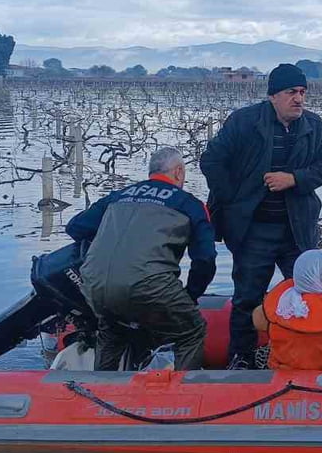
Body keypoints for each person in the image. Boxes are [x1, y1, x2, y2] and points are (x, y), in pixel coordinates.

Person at [200, 63, 322, 369]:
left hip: (297, 229)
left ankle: (305, 356)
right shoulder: (244, 122)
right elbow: (211, 161)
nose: (299, 99)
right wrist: (235, 198)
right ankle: (241, 359)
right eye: (292, 92)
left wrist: (295, 179)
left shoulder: (314, 126)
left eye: (302, 92)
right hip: (254, 230)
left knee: (308, 294)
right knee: (247, 297)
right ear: (274, 95)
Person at [65, 147, 216, 371]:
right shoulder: (190, 205)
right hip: (150, 286)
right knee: (192, 332)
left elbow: (75, 228)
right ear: (178, 172)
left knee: (112, 331)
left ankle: (99, 392)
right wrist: (190, 296)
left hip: (95, 285)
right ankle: (184, 397)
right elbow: (205, 260)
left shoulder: (118, 196)